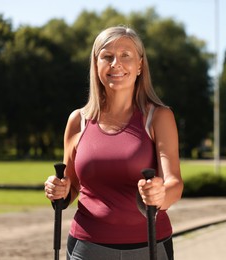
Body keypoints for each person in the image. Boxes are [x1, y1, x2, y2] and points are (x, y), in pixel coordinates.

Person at [44, 25, 183, 260]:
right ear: (96, 65)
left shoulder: (158, 117)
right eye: (107, 56)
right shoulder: (78, 120)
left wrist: (160, 196)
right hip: (87, 248)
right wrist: (59, 189)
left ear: (140, 64)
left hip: (149, 246)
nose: (115, 63)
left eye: (125, 55)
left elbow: (174, 183)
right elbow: (72, 186)